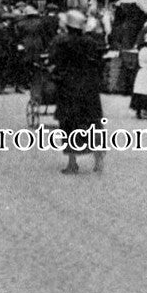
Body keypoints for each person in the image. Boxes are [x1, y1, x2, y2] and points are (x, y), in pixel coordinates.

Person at [50, 10, 105, 175]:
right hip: (89, 89)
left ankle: (72, 163)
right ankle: (98, 160)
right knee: (93, 123)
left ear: (68, 26)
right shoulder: (91, 42)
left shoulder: (62, 42)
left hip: (69, 89)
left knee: (69, 125)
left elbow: (56, 63)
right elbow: (98, 63)